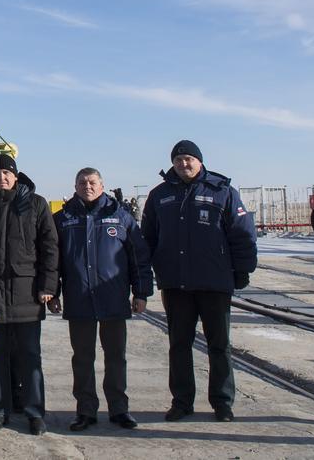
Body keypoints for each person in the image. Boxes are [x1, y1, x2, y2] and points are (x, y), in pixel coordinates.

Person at [141, 140, 257, 422]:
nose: (183, 164)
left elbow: (242, 233)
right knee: (179, 345)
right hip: (176, 284)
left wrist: (243, 270)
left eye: (189, 159)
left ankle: (222, 402)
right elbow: (146, 239)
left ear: (200, 161)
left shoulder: (223, 192)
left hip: (214, 282)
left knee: (219, 346)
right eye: (178, 160)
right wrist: (149, 271)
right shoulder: (160, 196)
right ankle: (181, 401)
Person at [51, 167, 151, 431]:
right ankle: (85, 411)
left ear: (102, 185)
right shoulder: (62, 219)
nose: (87, 186)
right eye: (82, 182)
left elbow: (138, 258)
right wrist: (53, 293)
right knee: (82, 358)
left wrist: (141, 293)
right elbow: (53, 262)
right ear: (75, 186)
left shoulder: (121, 217)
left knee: (116, 357)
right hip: (80, 300)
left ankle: (119, 409)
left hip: (113, 300)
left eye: (92, 182)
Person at [0, 154, 57, 435]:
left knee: (30, 357)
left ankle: (34, 412)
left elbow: (50, 247)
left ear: (16, 176)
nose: (1, 178)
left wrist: (48, 286)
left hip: (26, 294)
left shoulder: (35, 204)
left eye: (6, 174)